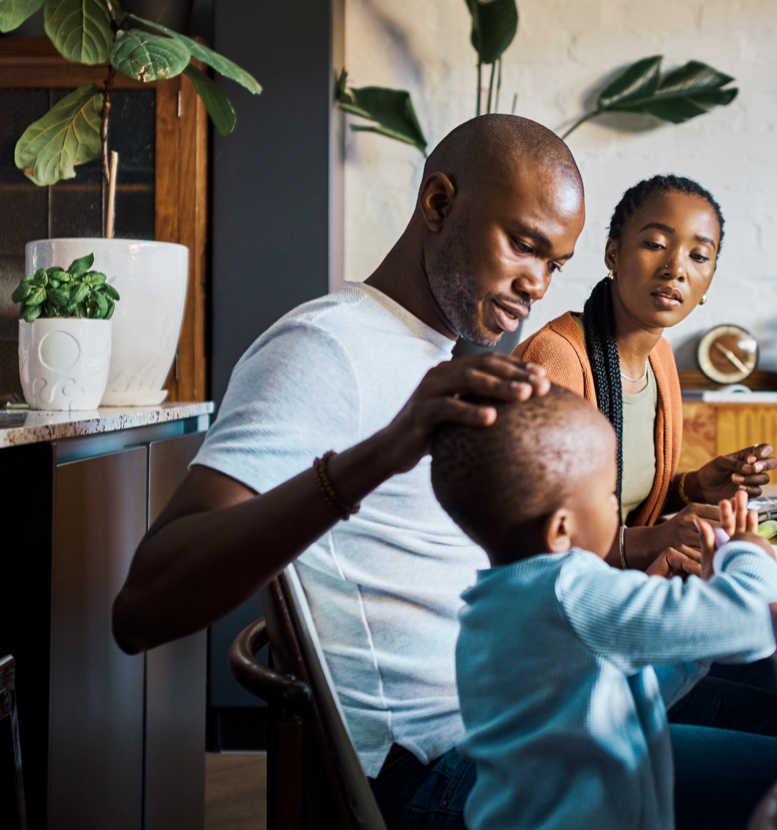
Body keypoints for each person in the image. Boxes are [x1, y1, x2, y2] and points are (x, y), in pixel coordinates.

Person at [112, 115, 585, 815]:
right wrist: (379, 456)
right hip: (433, 773)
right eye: (524, 245)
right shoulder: (324, 347)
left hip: (502, 731)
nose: (537, 284)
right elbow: (143, 608)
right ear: (438, 204)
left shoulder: (427, 356)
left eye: (554, 264)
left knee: (761, 692)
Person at [431, 387, 777, 830]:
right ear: (561, 527)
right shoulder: (574, 591)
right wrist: (749, 553)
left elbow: (617, 699)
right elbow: (757, 620)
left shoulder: (495, 600)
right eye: (609, 494)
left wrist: (693, 623)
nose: (616, 506)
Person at [512, 175, 777, 572]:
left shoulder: (660, 360)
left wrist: (694, 488)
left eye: (698, 256)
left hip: (623, 587)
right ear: (613, 254)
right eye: (656, 244)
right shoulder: (555, 361)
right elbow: (527, 535)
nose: (676, 269)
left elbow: (624, 500)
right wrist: (656, 540)